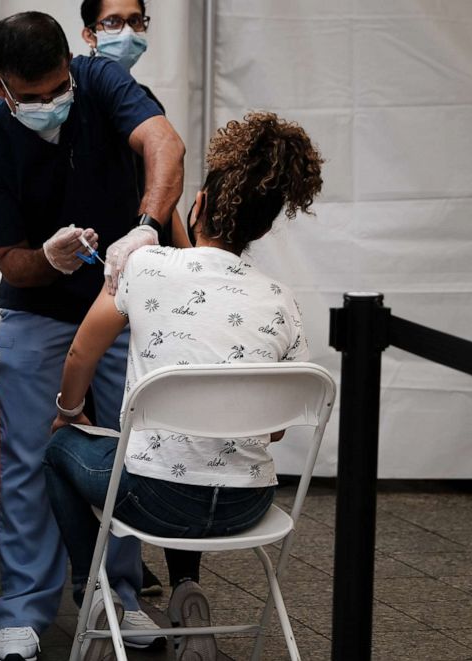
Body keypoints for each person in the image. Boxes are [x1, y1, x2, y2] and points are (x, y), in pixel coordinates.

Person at [43, 111, 323, 661]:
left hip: (154, 501)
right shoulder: (282, 300)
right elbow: (272, 433)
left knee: (58, 450)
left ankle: (94, 596)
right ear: (263, 228)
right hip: (250, 506)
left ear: (196, 205)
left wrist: (69, 411)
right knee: (200, 451)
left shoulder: (146, 265)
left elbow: (81, 352)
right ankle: (189, 599)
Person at [0, 11, 184, 661]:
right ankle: (24, 609)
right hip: (37, 310)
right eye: (29, 98)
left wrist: (148, 224)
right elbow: (10, 262)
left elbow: (165, 143)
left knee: (117, 454)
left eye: (58, 89)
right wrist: (48, 259)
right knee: (29, 458)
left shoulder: (103, 82)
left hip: (116, 303)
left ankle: (116, 595)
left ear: (72, 66)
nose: (48, 105)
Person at [79, 0, 178, 598]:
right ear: (88, 33)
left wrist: (183, 250)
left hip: (121, 285)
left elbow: (166, 164)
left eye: (137, 20)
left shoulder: (143, 108)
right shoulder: (81, 83)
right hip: (69, 284)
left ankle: (118, 571)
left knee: (125, 439)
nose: (128, 31)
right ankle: (76, 561)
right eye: (113, 21)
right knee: (62, 434)